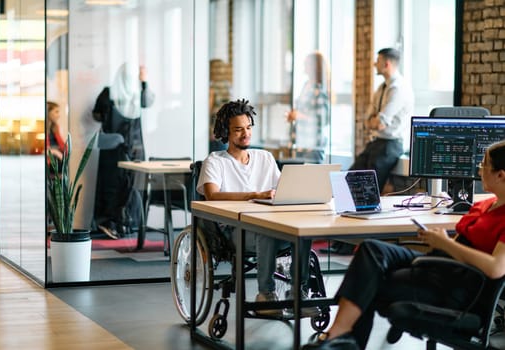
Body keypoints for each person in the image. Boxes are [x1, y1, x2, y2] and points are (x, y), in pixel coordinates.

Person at [302, 139, 505, 350]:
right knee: (371, 249)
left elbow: (496, 268)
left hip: (456, 283)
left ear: (501, 175)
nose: (479, 169)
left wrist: (446, 243)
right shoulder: (484, 204)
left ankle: (337, 337)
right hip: (442, 263)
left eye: (484, 165)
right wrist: (442, 242)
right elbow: (464, 241)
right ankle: (340, 337)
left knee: (368, 279)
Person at [197, 99, 318, 317]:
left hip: (267, 225)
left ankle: (297, 294)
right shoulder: (215, 161)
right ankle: (266, 295)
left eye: (249, 128)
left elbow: (283, 190)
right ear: (226, 132)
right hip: (233, 231)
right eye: (238, 130)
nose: (246, 133)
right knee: (266, 231)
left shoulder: (265, 158)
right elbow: (211, 195)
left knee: (303, 230)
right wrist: (255, 195)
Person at [92, 63, 155, 239]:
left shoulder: (110, 93)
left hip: (116, 147)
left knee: (120, 184)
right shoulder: (135, 94)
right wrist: (143, 82)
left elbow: (96, 114)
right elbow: (147, 101)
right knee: (125, 185)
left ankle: (117, 222)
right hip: (130, 146)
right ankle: (117, 223)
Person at [349, 47, 414, 192]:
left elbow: (379, 123)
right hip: (376, 143)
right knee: (349, 179)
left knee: (369, 189)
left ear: (387, 64)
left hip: (390, 145)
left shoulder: (399, 89)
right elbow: (367, 120)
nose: (374, 64)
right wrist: (373, 121)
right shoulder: (381, 88)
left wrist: (374, 121)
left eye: (377, 61)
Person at [287, 51, 331, 163]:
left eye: (307, 63)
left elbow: (322, 120)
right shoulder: (306, 85)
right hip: (301, 142)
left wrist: (299, 116)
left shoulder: (319, 89)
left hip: (313, 146)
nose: (304, 66)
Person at [46, 101, 66, 171]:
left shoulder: (55, 127)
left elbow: (63, 146)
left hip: (58, 161)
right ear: (48, 112)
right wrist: (55, 152)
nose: (59, 115)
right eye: (56, 112)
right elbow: (41, 150)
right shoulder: (43, 129)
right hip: (49, 163)